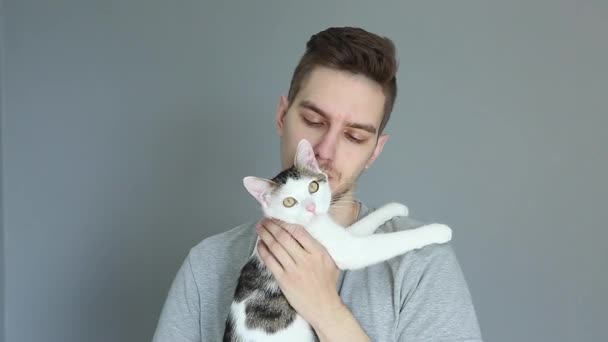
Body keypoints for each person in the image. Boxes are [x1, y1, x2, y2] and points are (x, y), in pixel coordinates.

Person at [152, 26, 483, 342]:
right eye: (313, 121)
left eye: (354, 136)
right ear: (283, 116)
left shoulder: (421, 265)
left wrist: (325, 308)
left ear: (375, 150)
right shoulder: (207, 264)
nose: (325, 151)